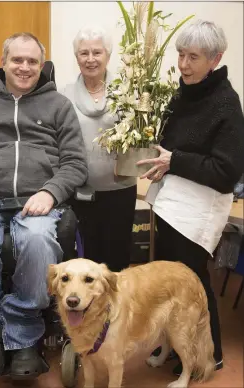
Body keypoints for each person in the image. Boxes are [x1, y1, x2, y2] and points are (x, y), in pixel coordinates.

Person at [0, 32, 87, 380]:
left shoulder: (58, 106)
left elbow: (74, 164)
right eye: (17, 60)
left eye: (32, 61)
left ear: (42, 66)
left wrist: (51, 192)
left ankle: (25, 335)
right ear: (3, 62)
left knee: (38, 242)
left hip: (37, 197)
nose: (24, 67)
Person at [137, 20, 244, 376]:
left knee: (193, 282)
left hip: (200, 208)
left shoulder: (226, 103)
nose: (183, 64)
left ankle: (206, 354)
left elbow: (226, 172)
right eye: (181, 55)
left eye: (193, 57)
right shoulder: (184, 92)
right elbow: (174, 147)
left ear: (215, 58)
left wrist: (175, 161)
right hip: (172, 200)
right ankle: (177, 345)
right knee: (170, 281)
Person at [61, 26, 137, 272]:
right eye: (84, 53)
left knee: (117, 259)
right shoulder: (63, 95)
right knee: (85, 262)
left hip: (120, 189)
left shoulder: (128, 92)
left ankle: (116, 311)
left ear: (108, 56)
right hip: (79, 192)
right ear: (76, 58)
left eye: (97, 52)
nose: (90, 59)